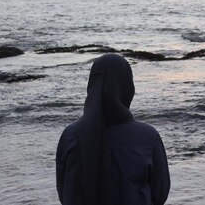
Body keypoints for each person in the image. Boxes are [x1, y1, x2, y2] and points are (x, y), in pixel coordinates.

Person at [56, 53, 171, 205]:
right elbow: (159, 194)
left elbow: (63, 192)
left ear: (91, 86)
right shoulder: (148, 137)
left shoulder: (70, 136)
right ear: (127, 87)